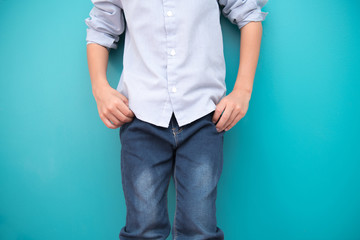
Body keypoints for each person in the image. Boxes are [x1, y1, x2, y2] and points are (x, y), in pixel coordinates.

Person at [85, 0, 268, 239]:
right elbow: (100, 26)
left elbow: (249, 13)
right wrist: (99, 88)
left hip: (203, 115)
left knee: (199, 230)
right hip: (141, 116)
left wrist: (243, 90)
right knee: (143, 230)